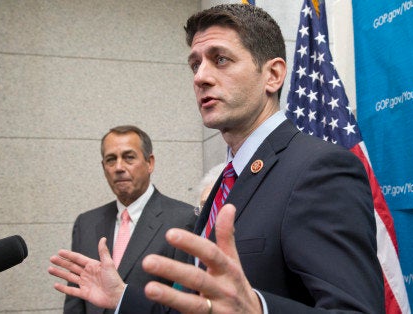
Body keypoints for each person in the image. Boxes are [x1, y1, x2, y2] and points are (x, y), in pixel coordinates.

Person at [49, 4, 383, 313]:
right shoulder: (227, 181)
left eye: (220, 59)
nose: (200, 77)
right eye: (196, 63)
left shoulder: (319, 169)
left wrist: (258, 309)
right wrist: (121, 295)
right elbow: (198, 306)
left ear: (273, 75)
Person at [60, 125, 196, 314]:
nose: (118, 167)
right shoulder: (86, 223)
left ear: (150, 163)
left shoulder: (183, 219)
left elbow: (187, 304)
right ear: (103, 167)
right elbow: (75, 301)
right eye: (110, 160)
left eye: (129, 157)